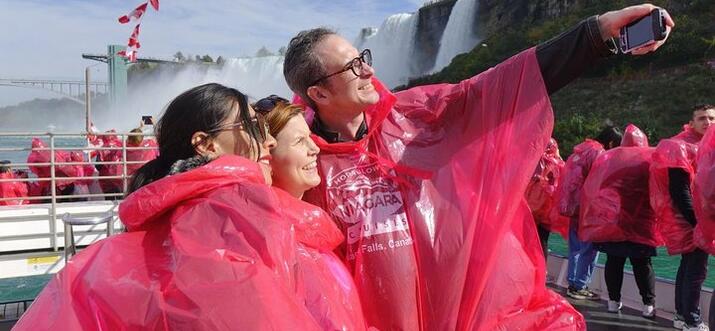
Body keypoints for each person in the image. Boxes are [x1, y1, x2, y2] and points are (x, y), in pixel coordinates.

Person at [283, 4, 673, 329]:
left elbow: (501, 86)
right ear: (318, 93)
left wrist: (595, 35)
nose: (368, 70)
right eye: (351, 66)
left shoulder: (418, 117)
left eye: (363, 58)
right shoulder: (298, 163)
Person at [13, 83, 367, 330]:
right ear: (206, 144)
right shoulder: (229, 220)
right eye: (252, 128)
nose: (268, 141)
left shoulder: (147, 235)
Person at [579, 124, 658, 317]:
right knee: (642, 264)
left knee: (614, 261)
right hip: (642, 223)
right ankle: (648, 305)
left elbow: (595, 188)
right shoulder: (650, 158)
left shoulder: (608, 158)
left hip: (613, 222)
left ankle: (613, 301)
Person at [651, 105, 714, 331]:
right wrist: (699, 223)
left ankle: (681, 315)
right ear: (692, 121)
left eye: (711, 118)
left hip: (696, 217)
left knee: (688, 266)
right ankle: (692, 320)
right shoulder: (681, 146)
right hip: (692, 219)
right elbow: (680, 190)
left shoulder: (702, 145)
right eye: (702, 118)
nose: (707, 123)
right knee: (697, 270)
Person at [559, 125, 622, 301]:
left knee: (575, 247)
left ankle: (572, 283)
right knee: (590, 249)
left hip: (572, 206)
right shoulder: (599, 153)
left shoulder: (582, 149)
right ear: (611, 142)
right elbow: (600, 181)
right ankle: (579, 285)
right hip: (587, 208)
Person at [525, 138, 565, 262]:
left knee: (526, 239)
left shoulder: (536, 160)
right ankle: (541, 272)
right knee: (543, 240)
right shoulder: (559, 163)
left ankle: (527, 268)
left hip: (532, 206)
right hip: (548, 209)